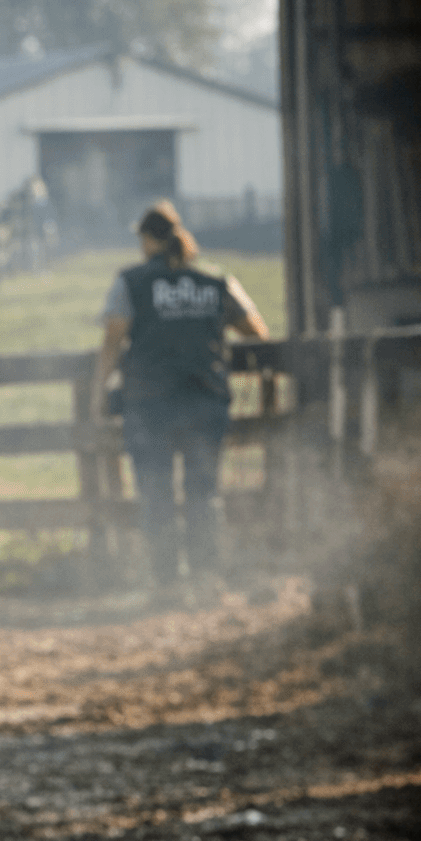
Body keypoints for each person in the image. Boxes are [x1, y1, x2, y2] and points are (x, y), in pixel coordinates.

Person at [92, 199, 269, 599]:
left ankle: (166, 584)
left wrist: (97, 395)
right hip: (205, 401)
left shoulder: (131, 282)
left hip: (149, 404)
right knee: (203, 493)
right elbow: (257, 331)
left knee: (155, 492)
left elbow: (111, 343)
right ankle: (206, 579)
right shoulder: (217, 280)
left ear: (147, 239)